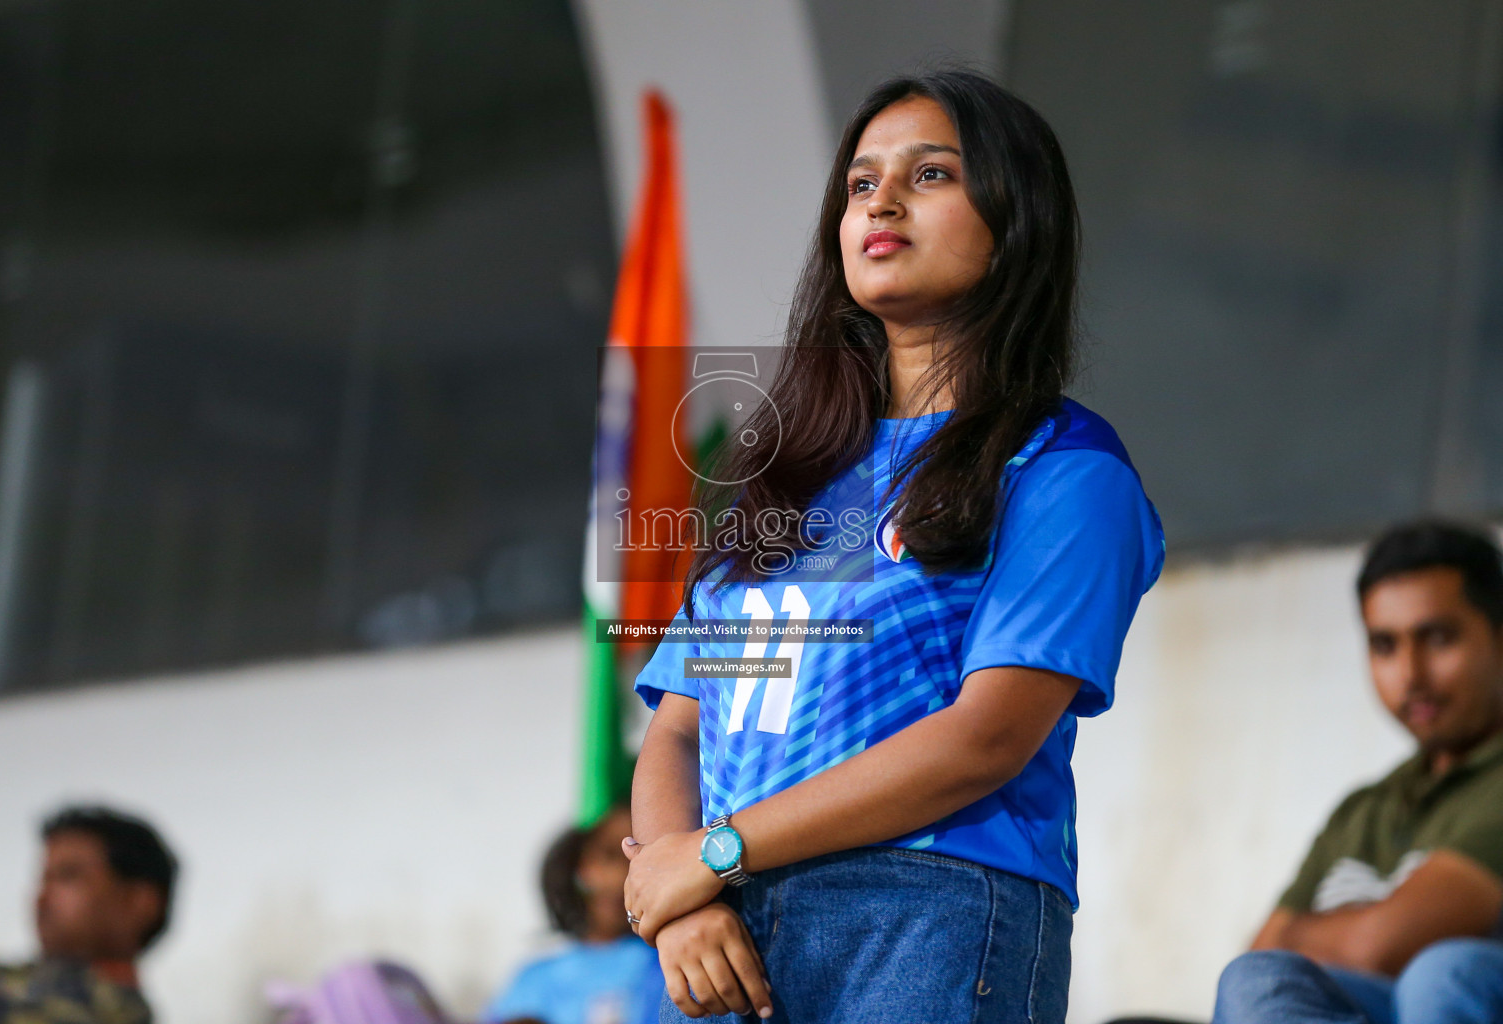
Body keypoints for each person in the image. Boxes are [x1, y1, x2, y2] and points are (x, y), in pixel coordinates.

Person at [620, 68, 1165, 1023]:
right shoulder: (791, 470)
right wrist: (678, 901)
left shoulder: (1064, 467)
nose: (884, 201)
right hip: (723, 935)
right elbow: (679, 723)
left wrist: (712, 854)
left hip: (930, 913)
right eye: (862, 183)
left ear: (1016, 220)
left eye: (932, 175)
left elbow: (985, 736)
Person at [1212, 521, 1503, 1024]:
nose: (1411, 675)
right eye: (1385, 645)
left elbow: (1378, 947)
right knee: (1255, 982)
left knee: (1440, 974)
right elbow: (1264, 949)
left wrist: (1309, 932)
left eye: (1437, 638)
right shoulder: (1362, 810)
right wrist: (1356, 933)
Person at [0, 805, 179, 1024]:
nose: (42, 897)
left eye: (68, 876)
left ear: (140, 901)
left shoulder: (116, 1013)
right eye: (44, 879)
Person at [484, 805, 660, 1024]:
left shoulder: (668, 965)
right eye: (609, 856)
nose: (620, 876)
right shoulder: (532, 981)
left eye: (639, 859)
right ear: (578, 865)